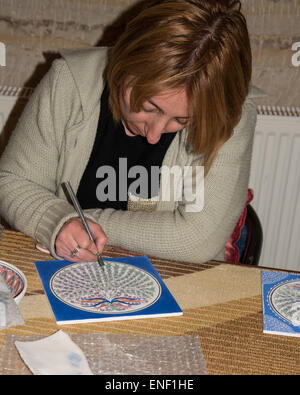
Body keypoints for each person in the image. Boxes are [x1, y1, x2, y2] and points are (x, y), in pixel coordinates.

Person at [0, 0, 257, 264]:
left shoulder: (226, 112)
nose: (155, 134)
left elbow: (195, 239)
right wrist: (56, 220)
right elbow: (12, 181)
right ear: (123, 64)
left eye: (182, 120)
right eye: (148, 106)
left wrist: (83, 221)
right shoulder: (70, 83)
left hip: (174, 275)